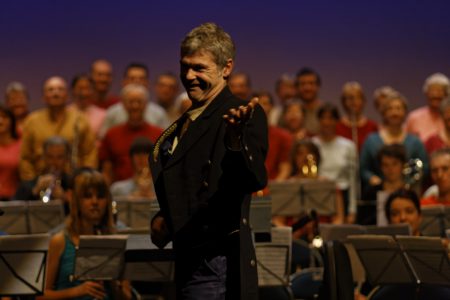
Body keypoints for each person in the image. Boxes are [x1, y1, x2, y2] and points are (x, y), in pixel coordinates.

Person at [150, 22, 268, 300]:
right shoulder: (188, 119)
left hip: (214, 262)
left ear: (226, 68)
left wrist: (236, 142)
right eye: (184, 66)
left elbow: (253, 179)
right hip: (188, 256)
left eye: (199, 68)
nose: (189, 76)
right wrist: (165, 217)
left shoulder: (239, 113)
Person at [39, 168, 131, 299]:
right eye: (87, 196)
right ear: (76, 201)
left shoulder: (116, 242)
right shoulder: (60, 241)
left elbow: (126, 296)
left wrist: (115, 284)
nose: (95, 202)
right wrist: (78, 291)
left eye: (100, 196)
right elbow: (41, 296)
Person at [20, 76, 97, 181]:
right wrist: (32, 183)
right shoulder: (32, 121)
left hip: (73, 181)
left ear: (67, 96)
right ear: (44, 96)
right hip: (39, 181)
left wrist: (83, 181)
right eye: (50, 90)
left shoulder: (80, 120)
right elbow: (25, 158)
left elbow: (89, 155)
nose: (55, 94)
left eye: (60, 89)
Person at [360, 93, 429, 189]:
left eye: (398, 108)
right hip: (378, 192)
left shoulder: (415, 142)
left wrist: (408, 182)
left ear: (405, 112)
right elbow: (363, 169)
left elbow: (424, 167)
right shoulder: (371, 140)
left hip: (408, 191)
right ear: (384, 113)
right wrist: (374, 180)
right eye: (390, 109)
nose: (394, 113)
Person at [99, 84, 163, 184]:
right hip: (119, 193)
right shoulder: (111, 134)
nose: (135, 106)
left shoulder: (159, 134)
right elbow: (107, 172)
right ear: (123, 105)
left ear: (146, 104)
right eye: (131, 102)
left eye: (139, 102)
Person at [312, 103, 357, 223]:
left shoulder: (348, 146)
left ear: (337, 121)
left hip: (342, 195)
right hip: (317, 196)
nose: (327, 122)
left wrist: (352, 210)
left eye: (331, 118)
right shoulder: (312, 144)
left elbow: (353, 180)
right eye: (323, 118)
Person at [99, 63, 170, 136]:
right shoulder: (113, 113)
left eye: (141, 79)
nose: (137, 82)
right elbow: (103, 139)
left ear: (147, 83)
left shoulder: (159, 113)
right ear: (124, 82)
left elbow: (168, 140)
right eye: (132, 78)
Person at [14, 136, 72, 206]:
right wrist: (35, 191)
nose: (54, 162)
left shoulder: (72, 184)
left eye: (59, 157)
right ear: (43, 157)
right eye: (50, 157)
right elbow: (13, 207)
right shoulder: (28, 185)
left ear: (66, 159)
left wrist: (64, 198)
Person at [359, 144, 407, 225]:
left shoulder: (409, 191)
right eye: (385, 165)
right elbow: (362, 223)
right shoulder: (370, 193)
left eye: (394, 164)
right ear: (380, 167)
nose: (390, 169)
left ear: (403, 165)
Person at [255, 90, 293, 181]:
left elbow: (285, 168)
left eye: (265, 103)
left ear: (271, 107)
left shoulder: (283, 136)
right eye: (257, 103)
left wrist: (272, 189)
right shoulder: (241, 135)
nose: (261, 107)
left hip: (273, 189)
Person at [405, 72, 449, 142]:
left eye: (440, 91)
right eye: (432, 91)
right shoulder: (414, 118)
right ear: (426, 94)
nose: (435, 95)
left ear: (447, 94)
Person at [336, 81, 378, 152]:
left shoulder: (372, 126)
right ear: (343, 102)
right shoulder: (337, 126)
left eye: (357, 97)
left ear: (363, 101)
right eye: (349, 98)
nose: (353, 101)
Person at [68, 74, 106, 140]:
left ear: (93, 91)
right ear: (73, 90)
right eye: (80, 88)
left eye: (87, 88)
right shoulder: (65, 113)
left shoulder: (102, 115)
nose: (84, 93)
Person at [0, 105, 21, 201]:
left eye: (4, 117)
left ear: (11, 121)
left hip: (15, 198)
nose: (0, 121)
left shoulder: (21, 144)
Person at [295, 67, 323, 135]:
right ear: (297, 87)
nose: (307, 88)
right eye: (303, 84)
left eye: (311, 83)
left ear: (318, 86)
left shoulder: (326, 111)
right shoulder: (290, 112)